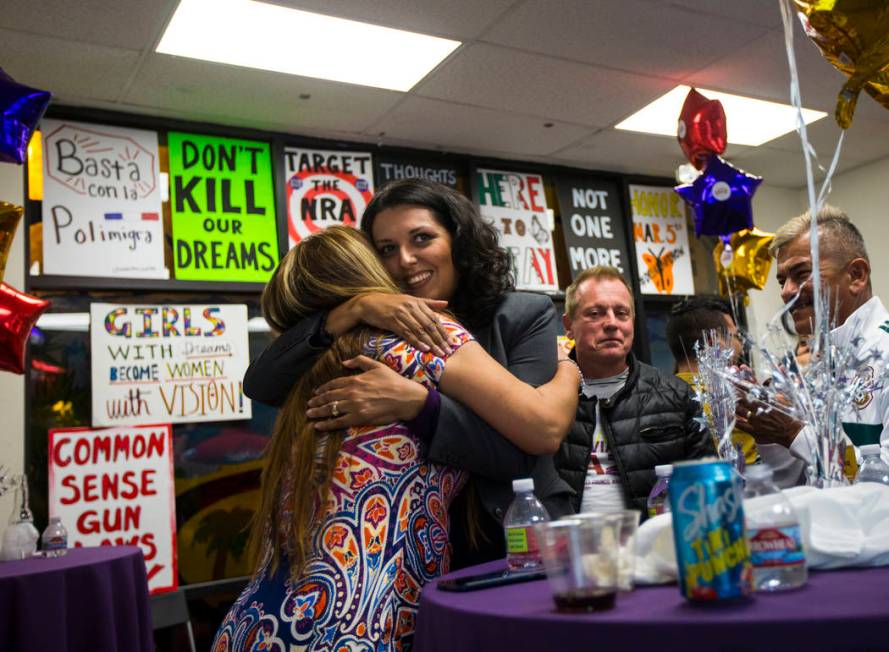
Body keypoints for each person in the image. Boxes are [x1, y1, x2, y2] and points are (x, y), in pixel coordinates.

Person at [213, 227, 579, 651]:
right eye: (387, 249)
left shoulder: (300, 378)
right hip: (362, 622)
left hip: (253, 625)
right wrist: (569, 365)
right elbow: (543, 428)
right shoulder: (425, 337)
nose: (404, 262)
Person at [243, 179, 575, 567]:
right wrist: (353, 309)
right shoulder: (371, 332)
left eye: (421, 239)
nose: (405, 260)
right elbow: (261, 382)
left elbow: (529, 448)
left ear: (457, 240)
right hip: (414, 545)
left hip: (515, 529)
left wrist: (419, 405)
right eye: (386, 250)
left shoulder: (520, 315)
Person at [736, 206, 888, 483]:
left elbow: (881, 480)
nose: (786, 292)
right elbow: (795, 480)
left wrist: (792, 432)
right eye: (782, 280)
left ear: (856, 275)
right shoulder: (821, 365)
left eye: (801, 274)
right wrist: (767, 429)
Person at [554, 266, 714, 515]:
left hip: (655, 545)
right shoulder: (544, 397)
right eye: (595, 313)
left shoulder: (676, 395)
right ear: (569, 325)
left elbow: (707, 487)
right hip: (572, 546)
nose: (611, 323)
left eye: (621, 313)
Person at [665, 295, 759, 466]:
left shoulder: (657, 397)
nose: (741, 345)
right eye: (735, 336)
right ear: (712, 340)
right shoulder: (738, 398)